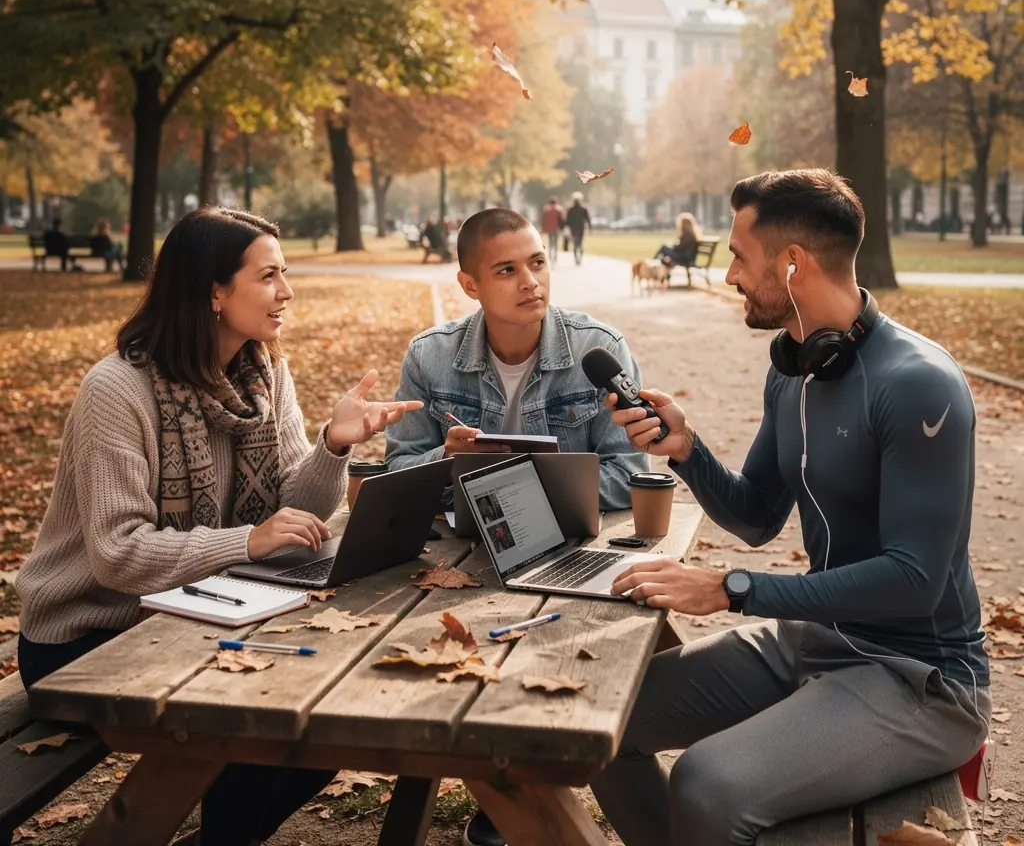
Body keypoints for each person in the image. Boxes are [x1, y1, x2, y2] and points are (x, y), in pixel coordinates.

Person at [592, 168, 990, 846]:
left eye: (738, 258)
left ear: (793, 262)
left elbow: (914, 580)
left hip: (919, 678)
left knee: (707, 783)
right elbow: (755, 517)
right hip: (819, 642)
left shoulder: (919, 385)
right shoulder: (797, 367)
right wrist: (688, 451)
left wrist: (731, 590)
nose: (728, 277)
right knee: (604, 722)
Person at [16, 206, 422, 846]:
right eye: (268, 276)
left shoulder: (262, 374)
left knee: (332, 708)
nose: (286, 291)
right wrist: (245, 541)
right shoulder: (116, 391)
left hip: (198, 615)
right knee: (263, 721)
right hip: (86, 637)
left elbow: (299, 514)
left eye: (285, 274)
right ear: (213, 290)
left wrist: (334, 448)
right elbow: (117, 557)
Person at [385, 207, 649, 846]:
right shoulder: (430, 357)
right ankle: (483, 799)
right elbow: (400, 470)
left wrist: (525, 488)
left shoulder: (597, 350)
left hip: (562, 546)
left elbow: (630, 469)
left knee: (567, 653)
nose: (531, 280)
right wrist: (447, 460)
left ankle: (508, 804)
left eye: (537, 261)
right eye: (507, 269)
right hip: (458, 555)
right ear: (470, 284)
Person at [565, 191, 591, 265]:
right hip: (581, 228)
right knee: (579, 243)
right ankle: (579, 257)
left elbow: (567, 220)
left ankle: (577, 258)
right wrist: (589, 226)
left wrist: (567, 226)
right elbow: (587, 219)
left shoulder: (571, 209)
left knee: (576, 244)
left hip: (574, 229)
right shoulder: (583, 209)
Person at [541, 196, 565, 262]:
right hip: (556, 228)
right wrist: (562, 228)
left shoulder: (546, 209)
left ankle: (550, 255)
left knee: (550, 242)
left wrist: (543, 227)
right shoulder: (559, 209)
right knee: (555, 243)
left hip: (549, 228)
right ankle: (555, 256)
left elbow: (543, 220)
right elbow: (562, 219)